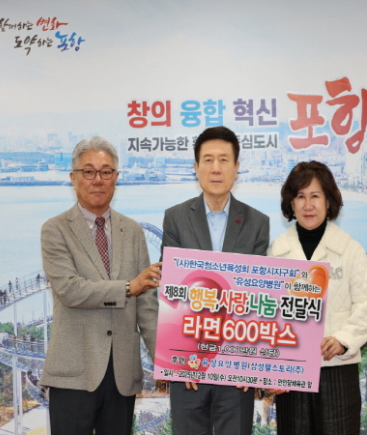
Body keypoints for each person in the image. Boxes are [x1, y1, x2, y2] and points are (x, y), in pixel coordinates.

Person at [40, 136, 161, 435]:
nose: (98, 180)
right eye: (89, 171)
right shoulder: (55, 229)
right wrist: (127, 288)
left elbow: (146, 306)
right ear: (73, 178)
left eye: (106, 172)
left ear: (116, 178)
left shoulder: (132, 231)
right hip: (74, 373)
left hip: (122, 374)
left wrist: (166, 360)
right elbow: (71, 290)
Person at [161, 126, 270, 435]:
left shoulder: (257, 222)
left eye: (224, 160)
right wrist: (181, 359)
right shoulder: (176, 218)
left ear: (237, 167)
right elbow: (172, 292)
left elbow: (255, 296)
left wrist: (247, 361)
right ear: (196, 168)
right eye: (208, 160)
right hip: (188, 368)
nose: (216, 168)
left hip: (236, 369)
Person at [267, 161, 367, 435]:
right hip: (291, 373)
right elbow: (266, 315)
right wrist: (271, 368)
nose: (308, 205)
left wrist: (343, 340)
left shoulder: (350, 250)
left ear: (328, 202)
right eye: (300, 196)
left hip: (337, 369)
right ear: (291, 204)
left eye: (315, 196)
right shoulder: (276, 251)